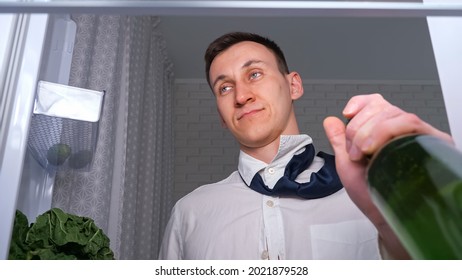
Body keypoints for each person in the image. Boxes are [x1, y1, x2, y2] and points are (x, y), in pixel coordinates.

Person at [159, 32, 453, 260]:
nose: (241, 95)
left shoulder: (375, 192)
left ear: (293, 86)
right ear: (221, 115)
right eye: (224, 87)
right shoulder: (190, 213)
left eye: (255, 74)